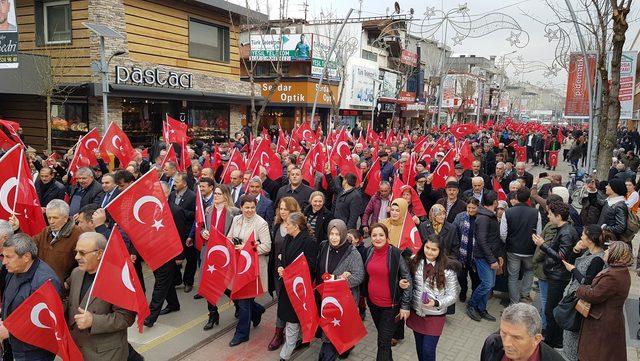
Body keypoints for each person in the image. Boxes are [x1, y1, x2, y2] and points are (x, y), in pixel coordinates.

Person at [67, 232, 135, 360]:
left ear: (99, 254)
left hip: (105, 354)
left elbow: (126, 317)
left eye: (82, 253)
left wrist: (94, 321)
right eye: (76, 252)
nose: (76, 257)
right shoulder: (76, 273)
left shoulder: (118, 278)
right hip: (78, 349)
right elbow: (70, 301)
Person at [0, 233, 62, 361]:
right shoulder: (13, 270)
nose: (4, 262)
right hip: (13, 346)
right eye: (3, 256)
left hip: (34, 353)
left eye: (8, 257)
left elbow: (46, 323)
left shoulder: (45, 281)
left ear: (26, 257)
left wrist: (11, 331)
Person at [316, 219, 365, 360]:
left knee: (337, 328)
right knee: (331, 327)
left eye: (337, 234)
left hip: (344, 299)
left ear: (343, 234)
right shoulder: (324, 246)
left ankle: (331, 352)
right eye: (331, 233)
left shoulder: (352, 253)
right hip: (326, 297)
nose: (334, 237)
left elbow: (359, 276)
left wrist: (337, 279)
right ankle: (342, 346)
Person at [532, 201, 578, 348]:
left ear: (558, 216)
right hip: (555, 275)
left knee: (551, 310)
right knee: (550, 309)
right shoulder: (563, 229)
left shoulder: (566, 232)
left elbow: (562, 256)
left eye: (550, 214)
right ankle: (553, 338)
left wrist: (542, 245)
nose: (548, 216)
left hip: (558, 277)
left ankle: (553, 341)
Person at [575, 241, 632, 361]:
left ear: (615, 254)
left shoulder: (613, 276)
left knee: (597, 354)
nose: (605, 251)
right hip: (606, 319)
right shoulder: (619, 271)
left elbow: (594, 295)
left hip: (602, 323)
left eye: (609, 250)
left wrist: (581, 288)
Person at [363, 223, 412, 361]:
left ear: (386, 236)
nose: (377, 238)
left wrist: (405, 306)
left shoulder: (396, 254)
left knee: (383, 343)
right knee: (384, 340)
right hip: (373, 304)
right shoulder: (369, 251)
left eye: (381, 235)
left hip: (390, 307)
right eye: (374, 235)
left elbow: (407, 279)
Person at [227, 194, 271, 347]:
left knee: (244, 302)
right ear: (241, 207)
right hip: (238, 265)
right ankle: (257, 310)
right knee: (237, 297)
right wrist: (234, 244)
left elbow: (267, 246)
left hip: (253, 269)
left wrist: (248, 247)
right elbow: (230, 238)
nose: (250, 210)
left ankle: (242, 334)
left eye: (253, 207)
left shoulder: (261, 223)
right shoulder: (236, 219)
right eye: (247, 207)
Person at [407, 235, 459, 361]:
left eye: (434, 249)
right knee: (419, 348)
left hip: (435, 315)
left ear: (440, 251)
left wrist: (436, 302)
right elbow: (408, 281)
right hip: (416, 313)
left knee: (428, 350)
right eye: (427, 247)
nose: (429, 252)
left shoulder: (448, 269)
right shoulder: (415, 260)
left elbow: (454, 294)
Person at [559, 225, 607, 361]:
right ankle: (566, 352)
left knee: (574, 332)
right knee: (568, 332)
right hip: (574, 296)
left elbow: (588, 283)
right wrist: (575, 249)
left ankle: (571, 356)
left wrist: (573, 270)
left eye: (583, 236)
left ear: (590, 240)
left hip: (580, 301)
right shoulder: (588, 252)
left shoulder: (597, 259)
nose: (580, 237)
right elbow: (572, 261)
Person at [274, 212, 318, 360]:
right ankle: (301, 339)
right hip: (286, 285)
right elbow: (281, 256)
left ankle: (284, 356)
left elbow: (311, 266)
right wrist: (280, 266)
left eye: (287, 224)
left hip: (299, 288)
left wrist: (292, 271)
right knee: (292, 317)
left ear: (296, 226)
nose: (285, 226)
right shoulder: (288, 237)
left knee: (292, 320)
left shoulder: (309, 241)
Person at [198, 184, 239, 329]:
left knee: (227, 286)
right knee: (209, 284)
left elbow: (238, 235)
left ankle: (242, 306)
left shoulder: (234, 212)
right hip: (210, 254)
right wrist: (203, 232)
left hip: (226, 255)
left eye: (219, 194)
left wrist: (231, 241)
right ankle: (213, 314)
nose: (215, 196)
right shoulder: (208, 210)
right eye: (215, 193)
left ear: (226, 196)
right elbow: (202, 227)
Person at [144, 181, 184, 328]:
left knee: (160, 284)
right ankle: (174, 304)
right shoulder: (151, 208)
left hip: (168, 254)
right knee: (165, 281)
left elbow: (180, 234)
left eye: (157, 191)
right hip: (153, 253)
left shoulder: (175, 211)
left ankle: (150, 316)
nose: (153, 193)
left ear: (166, 193)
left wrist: (179, 256)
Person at [267, 196, 300, 350]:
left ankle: (294, 333)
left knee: (293, 303)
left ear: (293, 210)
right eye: (281, 208)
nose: (283, 211)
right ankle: (279, 333)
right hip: (277, 272)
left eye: (286, 209)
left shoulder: (297, 227)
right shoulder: (277, 225)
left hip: (293, 274)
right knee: (281, 303)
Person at [500, 188, 542, 305]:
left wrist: (508, 242)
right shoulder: (535, 213)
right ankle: (525, 294)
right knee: (529, 271)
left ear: (516, 197)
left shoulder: (507, 212)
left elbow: (503, 233)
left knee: (513, 276)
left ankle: (514, 302)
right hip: (530, 250)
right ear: (529, 198)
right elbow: (539, 233)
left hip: (512, 250)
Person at [481, 303, 564, 361]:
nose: (506, 343)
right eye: (503, 332)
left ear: (536, 339)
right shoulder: (492, 343)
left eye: (516, 337)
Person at [467, 191, 501, 322]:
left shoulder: (489, 216)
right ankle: (472, 305)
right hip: (483, 257)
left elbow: (493, 238)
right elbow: (482, 240)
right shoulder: (483, 218)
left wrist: (497, 256)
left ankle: (482, 308)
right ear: (494, 202)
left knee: (490, 284)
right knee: (487, 283)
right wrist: (492, 259)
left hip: (490, 256)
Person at [30, 199, 82, 283]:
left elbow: (82, 264)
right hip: (40, 283)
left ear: (65, 218)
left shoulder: (78, 235)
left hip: (60, 287)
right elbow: (28, 246)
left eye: (55, 218)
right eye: (49, 218)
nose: (51, 222)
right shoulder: (45, 231)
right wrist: (17, 230)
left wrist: (68, 282)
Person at [168, 172, 197, 293]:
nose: (174, 184)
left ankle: (188, 282)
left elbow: (195, 214)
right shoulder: (172, 195)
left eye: (177, 182)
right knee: (174, 257)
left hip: (187, 232)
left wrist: (180, 212)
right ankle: (177, 279)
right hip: (174, 232)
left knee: (190, 259)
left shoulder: (192, 196)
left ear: (184, 184)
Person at [452, 198, 480, 302]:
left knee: (475, 277)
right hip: (462, 253)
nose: (471, 210)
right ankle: (463, 289)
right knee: (461, 276)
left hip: (475, 254)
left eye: (473, 208)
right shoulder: (460, 217)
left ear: (478, 207)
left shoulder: (481, 218)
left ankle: (474, 292)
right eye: (469, 207)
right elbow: (454, 232)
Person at [590, 178, 628, 242]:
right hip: (602, 235)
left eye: (608, 185)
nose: (606, 187)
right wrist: (593, 190)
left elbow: (621, 227)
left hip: (608, 239)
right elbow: (595, 203)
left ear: (614, 188)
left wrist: (605, 227)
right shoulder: (609, 201)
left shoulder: (620, 205)